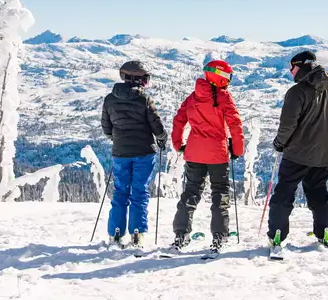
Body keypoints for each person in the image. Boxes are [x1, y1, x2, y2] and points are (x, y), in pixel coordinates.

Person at [268, 50, 328, 249]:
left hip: (296, 154)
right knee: (318, 194)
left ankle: (277, 235)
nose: (290, 72)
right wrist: (323, 139)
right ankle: (325, 232)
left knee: (284, 194)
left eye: (291, 67)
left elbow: (288, 125)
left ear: (300, 66)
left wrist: (280, 142)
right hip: (323, 155)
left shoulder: (297, 92)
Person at [171, 60, 245, 251]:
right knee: (219, 194)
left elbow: (179, 121)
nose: (228, 81)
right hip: (218, 155)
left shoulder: (193, 97)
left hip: (194, 153)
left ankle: (181, 235)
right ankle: (219, 237)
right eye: (227, 77)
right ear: (219, 77)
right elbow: (235, 125)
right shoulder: (224, 97)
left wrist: (178, 145)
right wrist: (237, 150)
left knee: (191, 192)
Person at [101, 60, 167, 248]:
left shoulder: (109, 99)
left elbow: (106, 128)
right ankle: (137, 234)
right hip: (144, 152)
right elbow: (157, 126)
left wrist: (118, 139)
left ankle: (115, 234)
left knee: (120, 192)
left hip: (120, 153)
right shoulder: (144, 99)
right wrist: (162, 138)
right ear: (137, 79)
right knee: (139, 192)